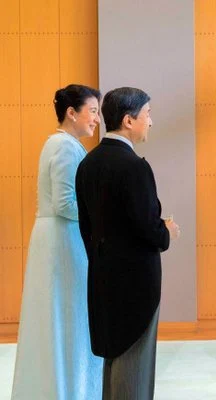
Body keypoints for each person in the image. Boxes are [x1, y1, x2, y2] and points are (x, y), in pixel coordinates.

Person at [75, 87, 180, 399]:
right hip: (136, 281)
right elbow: (147, 228)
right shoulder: (134, 167)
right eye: (147, 115)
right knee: (135, 361)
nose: (151, 122)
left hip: (102, 272)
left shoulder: (88, 163)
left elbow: (86, 226)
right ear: (128, 120)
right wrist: (167, 230)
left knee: (114, 357)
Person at [11, 84, 103, 400]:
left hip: (58, 236)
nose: (97, 119)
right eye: (92, 111)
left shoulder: (62, 144)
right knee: (69, 316)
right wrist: (101, 216)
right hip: (63, 240)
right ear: (71, 113)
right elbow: (65, 203)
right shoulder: (64, 146)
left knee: (63, 317)